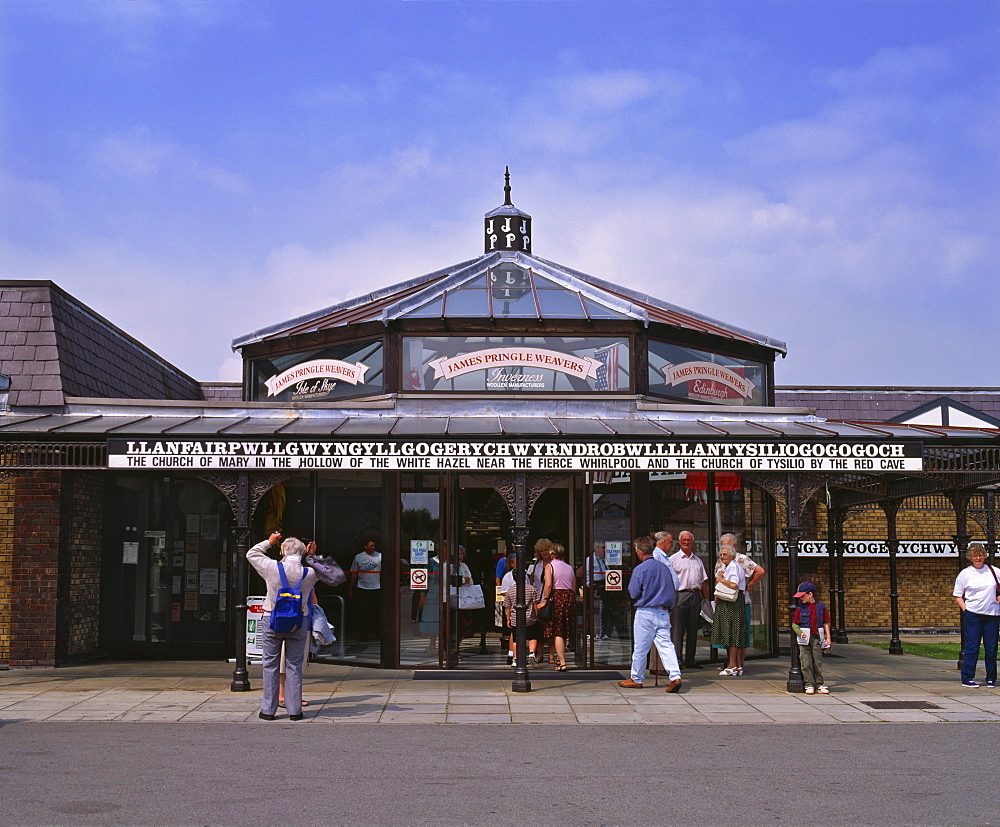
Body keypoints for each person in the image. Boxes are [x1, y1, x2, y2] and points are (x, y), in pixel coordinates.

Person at [247, 532, 318, 721]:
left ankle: (268, 710)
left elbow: (251, 554)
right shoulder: (309, 572)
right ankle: (295, 711)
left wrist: (269, 542)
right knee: (294, 665)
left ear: (282, 551)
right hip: (298, 621)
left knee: (270, 664)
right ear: (302, 552)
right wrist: (311, 556)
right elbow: (332, 573)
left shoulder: (272, 567)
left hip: (272, 618)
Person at [618, 536, 682, 693]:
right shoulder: (664, 567)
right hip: (663, 611)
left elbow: (633, 592)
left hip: (646, 611)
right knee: (666, 645)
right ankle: (675, 676)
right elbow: (672, 589)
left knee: (641, 647)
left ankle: (636, 678)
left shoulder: (640, 569)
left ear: (640, 552)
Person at [278, 537, 320, 708]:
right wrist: (312, 556)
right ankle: (286, 696)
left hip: (285, 617)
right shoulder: (305, 572)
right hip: (298, 617)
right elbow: (331, 573)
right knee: (292, 661)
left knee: (287, 660)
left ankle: (283, 695)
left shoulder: (281, 569)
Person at [715, 533, 766, 674]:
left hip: (737, 599)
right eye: (722, 547)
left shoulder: (740, 560)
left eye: (727, 546)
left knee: (737, 633)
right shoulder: (722, 560)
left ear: (734, 547)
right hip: (725, 599)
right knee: (729, 633)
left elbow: (760, 571)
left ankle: (738, 664)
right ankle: (733, 663)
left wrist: (750, 584)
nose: (723, 552)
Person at [953, 543, 1000, 688]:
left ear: (984, 556)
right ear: (970, 557)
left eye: (980, 555)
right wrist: (966, 610)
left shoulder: (994, 571)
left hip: (992, 614)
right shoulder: (965, 574)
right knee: (972, 647)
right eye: (975, 555)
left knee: (991, 648)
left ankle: (991, 678)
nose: (978, 558)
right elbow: (957, 595)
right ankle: (967, 677)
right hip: (973, 615)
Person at [670, 531, 708, 669]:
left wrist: (706, 600)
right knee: (678, 630)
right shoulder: (673, 559)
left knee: (693, 629)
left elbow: (703, 582)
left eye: (689, 540)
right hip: (680, 596)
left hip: (695, 596)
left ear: (693, 543)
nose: (686, 542)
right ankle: (677, 660)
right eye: (684, 540)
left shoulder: (698, 560)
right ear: (679, 542)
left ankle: (690, 659)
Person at [712, 544, 747, 676]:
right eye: (721, 554)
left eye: (725, 554)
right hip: (731, 602)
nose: (722, 557)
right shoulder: (729, 567)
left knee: (731, 632)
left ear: (732, 555)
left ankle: (732, 665)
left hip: (731, 603)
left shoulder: (733, 566)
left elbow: (734, 584)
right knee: (734, 633)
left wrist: (720, 579)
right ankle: (737, 666)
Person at [792, 582, 832, 694]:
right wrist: (800, 633)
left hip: (817, 638)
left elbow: (826, 623)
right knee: (805, 662)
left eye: (802, 595)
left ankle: (819, 684)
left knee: (817, 661)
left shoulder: (821, 607)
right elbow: (794, 624)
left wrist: (828, 637)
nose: (800, 598)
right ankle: (809, 683)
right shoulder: (799, 609)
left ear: (810, 594)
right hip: (804, 639)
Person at [545, 543, 576, 671]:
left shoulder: (550, 566)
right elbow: (573, 587)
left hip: (556, 596)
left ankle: (562, 661)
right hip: (568, 597)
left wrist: (545, 600)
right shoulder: (569, 567)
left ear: (552, 554)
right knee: (564, 629)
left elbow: (548, 584)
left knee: (557, 630)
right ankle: (560, 658)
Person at [503, 569, 540, 668]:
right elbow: (535, 604)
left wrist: (508, 619)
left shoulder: (510, 591)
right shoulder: (531, 589)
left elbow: (507, 607)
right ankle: (532, 653)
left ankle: (515, 659)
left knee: (516, 639)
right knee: (532, 636)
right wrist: (536, 616)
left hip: (516, 619)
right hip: (530, 618)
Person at [349, 538, 382, 641]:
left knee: (376, 612)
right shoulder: (358, 557)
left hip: (376, 588)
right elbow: (354, 574)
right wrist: (351, 589)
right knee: (363, 613)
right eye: (371, 546)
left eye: (374, 546)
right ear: (365, 546)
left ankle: (378, 633)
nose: (373, 548)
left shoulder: (380, 556)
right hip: (362, 588)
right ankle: (364, 634)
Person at [529, 539, 554, 663]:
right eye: (541, 551)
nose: (544, 553)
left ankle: (551, 655)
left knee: (550, 628)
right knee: (538, 628)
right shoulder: (536, 565)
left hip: (551, 598)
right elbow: (531, 581)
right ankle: (539, 655)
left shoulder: (555, 564)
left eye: (546, 550)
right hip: (537, 598)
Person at [578, 542, 609, 639]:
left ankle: (602, 632)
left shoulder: (604, 559)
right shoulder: (590, 560)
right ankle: (590, 632)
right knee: (593, 611)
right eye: (602, 548)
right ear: (596, 549)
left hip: (604, 584)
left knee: (603, 610)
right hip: (594, 586)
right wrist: (590, 585)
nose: (604, 550)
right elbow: (587, 574)